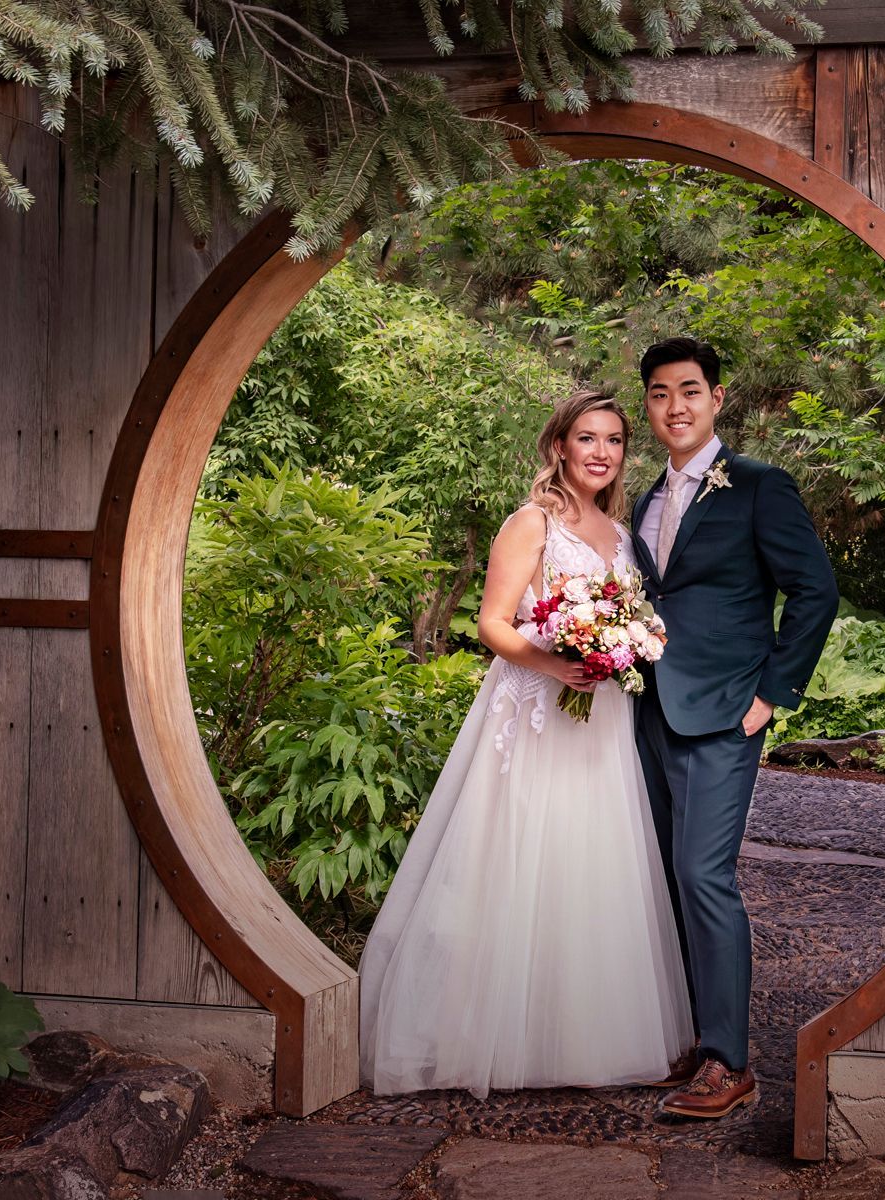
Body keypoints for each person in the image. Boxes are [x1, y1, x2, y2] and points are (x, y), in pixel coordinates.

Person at [359, 390, 694, 1098]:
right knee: (517, 862)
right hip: (536, 714)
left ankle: (582, 1035)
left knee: (591, 864)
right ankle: (493, 1035)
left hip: (601, 722)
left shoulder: (623, 534)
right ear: (559, 448)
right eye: (587, 438)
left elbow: (632, 621)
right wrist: (556, 664)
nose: (601, 452)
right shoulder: (532, 522)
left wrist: (618, 653)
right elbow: (492, 623)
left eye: (613, 440)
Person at [630, 337, 838, 1119]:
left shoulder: (757, 486)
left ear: (718, 397)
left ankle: (728, 1060)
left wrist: (772, 694)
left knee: (703, 877)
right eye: (658, 394)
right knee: (657, 878)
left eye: (689, 390)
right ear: (648, 405)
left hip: (723, 713)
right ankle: (689, 1040)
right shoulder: (645, 497)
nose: (674, 406)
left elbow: (815, 591)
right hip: (644, 709)